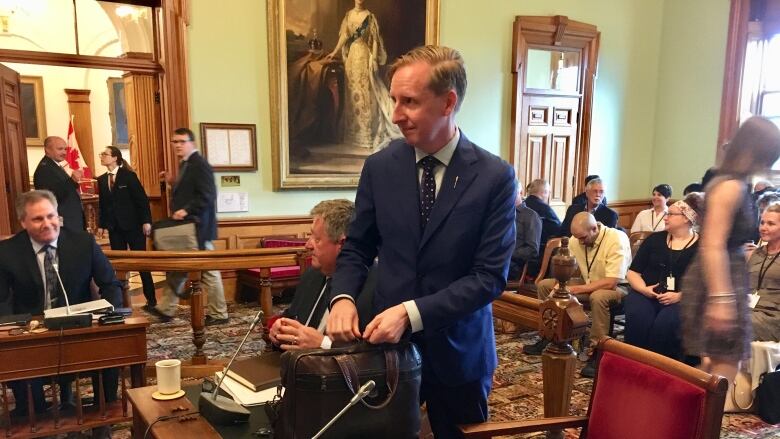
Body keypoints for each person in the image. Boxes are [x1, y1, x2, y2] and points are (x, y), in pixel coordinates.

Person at [327, 46, 516, 438]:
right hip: (386, 352)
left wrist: (410, 313)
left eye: (409, 102)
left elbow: (488, 278)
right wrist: (342, 297)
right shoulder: (379, 167)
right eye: (394, 99)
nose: (395, 115)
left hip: (460, 354)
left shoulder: (494, 177)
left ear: (448, 102)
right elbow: (358, 247)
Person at [0, 190, 122, 438]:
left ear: (59, 215)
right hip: (33, 334)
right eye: (37, 219)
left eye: (51, 216)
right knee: (18, 362)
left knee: (111, 350)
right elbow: (1, 300)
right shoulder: (7, 252)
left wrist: (110, 316)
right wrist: (11, 332)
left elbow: (110, 285)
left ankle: (102, 420)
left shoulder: (83, 243)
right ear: (23, 222)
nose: (47, 224)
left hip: (81, 329)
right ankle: (37, 421)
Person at [681, 116, 780, 388]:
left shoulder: (736, 182)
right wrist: (721, 300)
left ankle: (691, 421)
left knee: (714, 369)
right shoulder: (730, 186)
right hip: (718, 282)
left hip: (726, 279)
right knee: (722, 373)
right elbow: (712, 244)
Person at [524, 212, 631, 378]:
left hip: (618, 288)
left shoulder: (616, 239)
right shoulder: (576, 239)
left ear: (594, 228)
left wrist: (574, 290)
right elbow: (571, 271)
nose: (579, 242)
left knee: (599, 296)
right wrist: (561, 283)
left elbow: (611, 281)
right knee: (546, 286)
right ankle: (551, 335)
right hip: (588, 283)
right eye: (576, 238)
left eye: (583, 238)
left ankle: (597, 351)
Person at [268, 199, 375, 350]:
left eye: (316, 239)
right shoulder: (312, 275)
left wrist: (324, 344)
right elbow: (292, 316)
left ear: (342, 245)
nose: (308, 245)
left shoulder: (375, 287)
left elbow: (375, 358)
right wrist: (280, 329)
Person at [152, 128, 228, 326]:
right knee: (178, 268)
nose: (177, 144)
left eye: (181, 141)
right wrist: (171, 182)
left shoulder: (199, 164)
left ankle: (219, 313)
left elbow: (208, 195)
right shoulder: (186, 164)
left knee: (209, 271)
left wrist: (185, 210)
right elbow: (190, 191)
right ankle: (165, 309)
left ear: (191, 142)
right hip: (189, 229)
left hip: (199, 229)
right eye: (174, 141)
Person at [624, 193, 703, 361]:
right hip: (645, 293)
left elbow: (706, 284)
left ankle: (659, 367)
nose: (666, 217)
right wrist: (644, 290)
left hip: (682, 299)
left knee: (665, 324)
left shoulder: (701, 246)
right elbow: (633, 272)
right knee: (639, 317)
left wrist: (680, 296)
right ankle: (633, 362)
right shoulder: (655, 239)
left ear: (687, 219)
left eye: (671, 214)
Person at [326, 0, 401, 150]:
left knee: (365, 94)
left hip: (364, 56)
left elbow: (373, 41)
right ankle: (352, 134)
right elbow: (345, 37)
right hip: (352, 58)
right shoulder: (349, 15)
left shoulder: (369, 17)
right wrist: (334, 52)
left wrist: (373, 59)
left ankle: (365, 134)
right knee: (352, 94)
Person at [96, 146, 156, 311]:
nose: (101, 157)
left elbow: (141, 200)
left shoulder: (129, 176)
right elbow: (103, 205)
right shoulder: (101, 180)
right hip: (115, 228)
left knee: (142, 264)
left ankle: (151, 300)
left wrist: (146, 221)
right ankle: (121, 302)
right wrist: (101, 225)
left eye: (105, 154)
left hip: (134, 226)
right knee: (119, 266)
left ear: (115, 158)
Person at [33, 136, 85, 231]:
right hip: (62, 222)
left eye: (65, 149)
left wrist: (73, 182)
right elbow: (52, 196)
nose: (64, 152)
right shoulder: (45, 169)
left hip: (70, 220)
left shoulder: (53, 165)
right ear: (47, 150)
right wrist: (72, 180)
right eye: (60, 149)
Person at [748, 203, 780, 341]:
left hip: (773, 317)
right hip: (749, 310)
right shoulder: (755, 253)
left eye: (771, 224)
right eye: (762, 223)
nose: (763, 228)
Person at [524, 179, 561, 275]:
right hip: (537, 254)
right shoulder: (545, 208)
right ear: (544, 192)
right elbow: (559, 230)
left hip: (519, 252)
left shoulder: (522, 205)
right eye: (548, 192)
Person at [509, 184, 541, 280]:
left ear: (520, 193)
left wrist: (507, 253)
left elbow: (532, 250)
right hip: (496, 259)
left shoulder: (531, 216)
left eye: (510, 192)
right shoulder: (500, 213)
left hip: (514, 265)